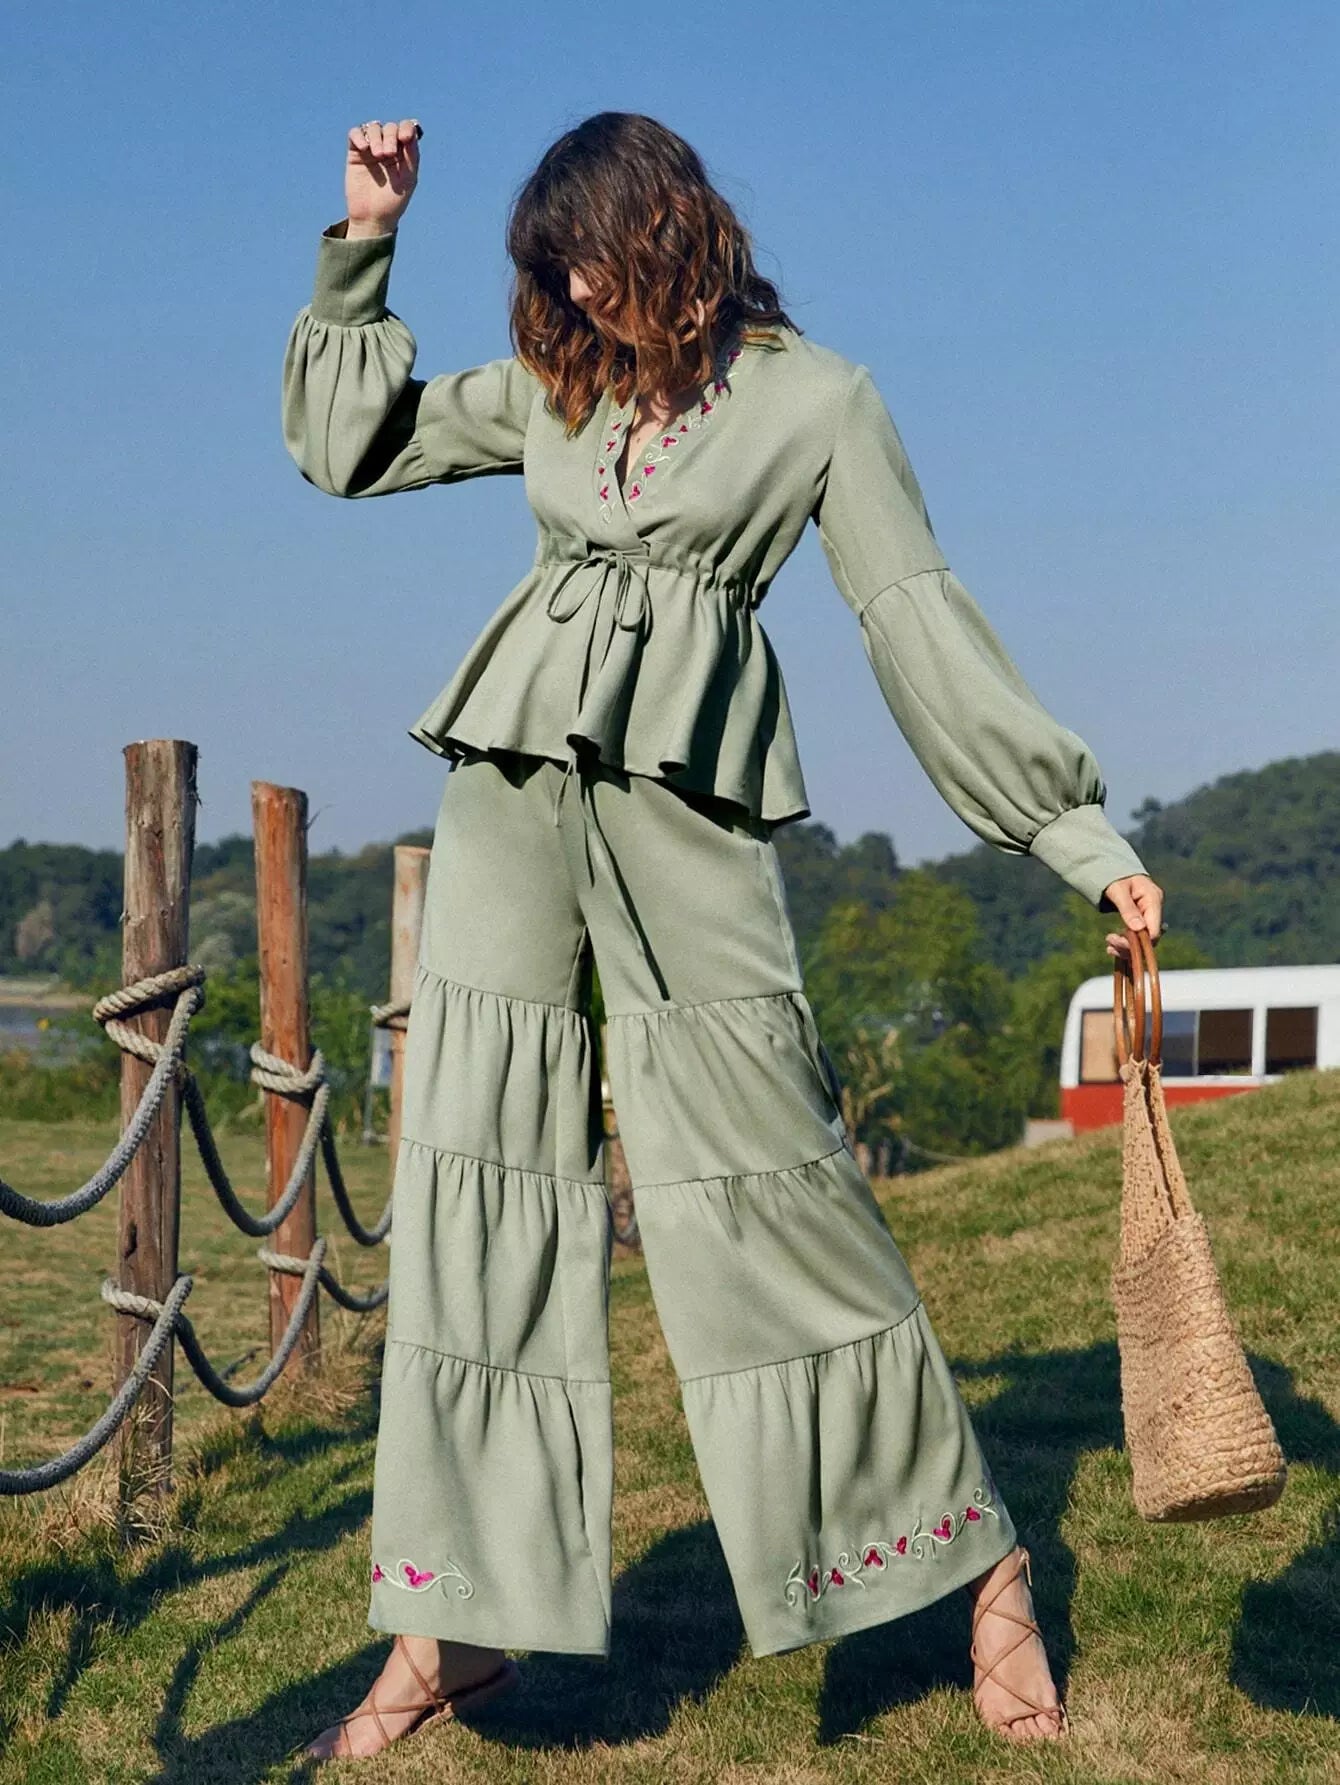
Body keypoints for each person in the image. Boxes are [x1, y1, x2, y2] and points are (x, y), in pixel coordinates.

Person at [282, 111, 1164, 1762]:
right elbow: (350, 444)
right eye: (552, 271)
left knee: (775, 1190)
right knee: (477, 1193)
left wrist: (1074, 833)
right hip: (509, 803)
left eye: (590, 257)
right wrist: (366, 236)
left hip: (685, 815)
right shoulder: (560, 382)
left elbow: (915, 622)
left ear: (670, 227)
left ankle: (979, 1571)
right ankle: (448, 1624)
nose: (574, 291)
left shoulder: (820, 402)